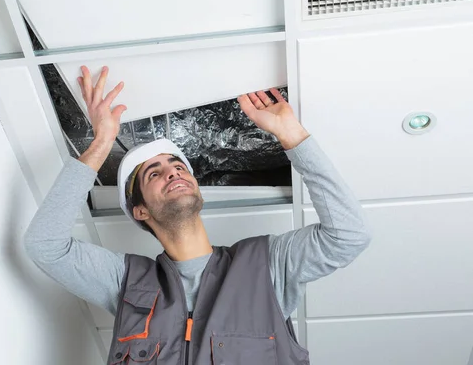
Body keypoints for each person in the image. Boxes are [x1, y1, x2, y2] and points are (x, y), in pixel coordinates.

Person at [24, 65, 371, 365]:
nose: (173, 172)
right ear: (140, 210)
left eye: (178, 166)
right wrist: (101, 144)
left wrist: (292, 135)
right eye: (154, 173)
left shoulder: (267, 265)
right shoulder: (126, 281)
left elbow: (349, 234)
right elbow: (45, 245)